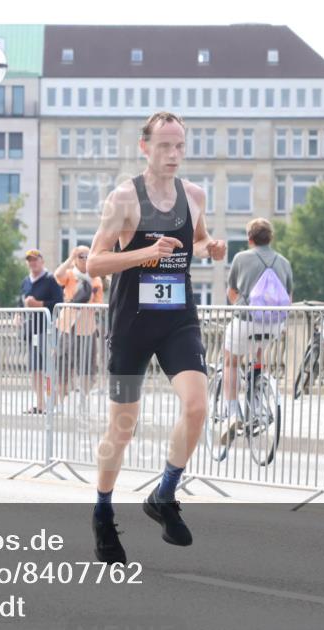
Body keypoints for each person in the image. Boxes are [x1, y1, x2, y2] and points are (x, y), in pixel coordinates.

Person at [86, 111, 226, 564]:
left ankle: (164, 494)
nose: (173, 154)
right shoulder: (124, 198)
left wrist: (210, 247)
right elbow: (94, 263)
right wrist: (146, 252)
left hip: (177, 320)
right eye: (164, 145)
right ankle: (103, 512)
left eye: (180, 145)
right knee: (123, 427)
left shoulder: (195, 195)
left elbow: (197, 240)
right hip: (131, 324)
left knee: (197, 406)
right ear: (144, 147)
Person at [221, 218, 293, 440]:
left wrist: (239, 306)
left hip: (246, 320)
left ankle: (233, 414)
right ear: (271, 238)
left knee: (231, 362)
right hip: (275, 324)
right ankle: (257, 396)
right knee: (260, 349)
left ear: (249, 238)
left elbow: (232, 292)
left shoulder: (241, 258)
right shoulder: (284, 262)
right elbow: (289, 297)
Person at [53, 245, 104, 406]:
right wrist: (70, 257)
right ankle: (61, 402)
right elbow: (57, 275)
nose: (84, 259)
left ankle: (83, 399)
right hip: (67, 326)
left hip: (87, 327)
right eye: (81, 256)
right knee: (62, 365)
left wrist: (88, 305)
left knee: (88, 367)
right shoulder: (69, 274)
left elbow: (99, 304)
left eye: (87, 256)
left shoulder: (96, 279)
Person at [19, 249, 64, 414]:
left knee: (50, 368)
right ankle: (40, 404)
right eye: (30, 260)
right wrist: (18, 314)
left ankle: (54, 403)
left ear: (42, 261)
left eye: (35, 259)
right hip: (32, 331)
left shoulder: (51, 280)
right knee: (35, 369)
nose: (32, 263)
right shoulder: (26, 281)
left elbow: (59, 303)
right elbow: (20, 302)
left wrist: (39, 304)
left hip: (47, 329)